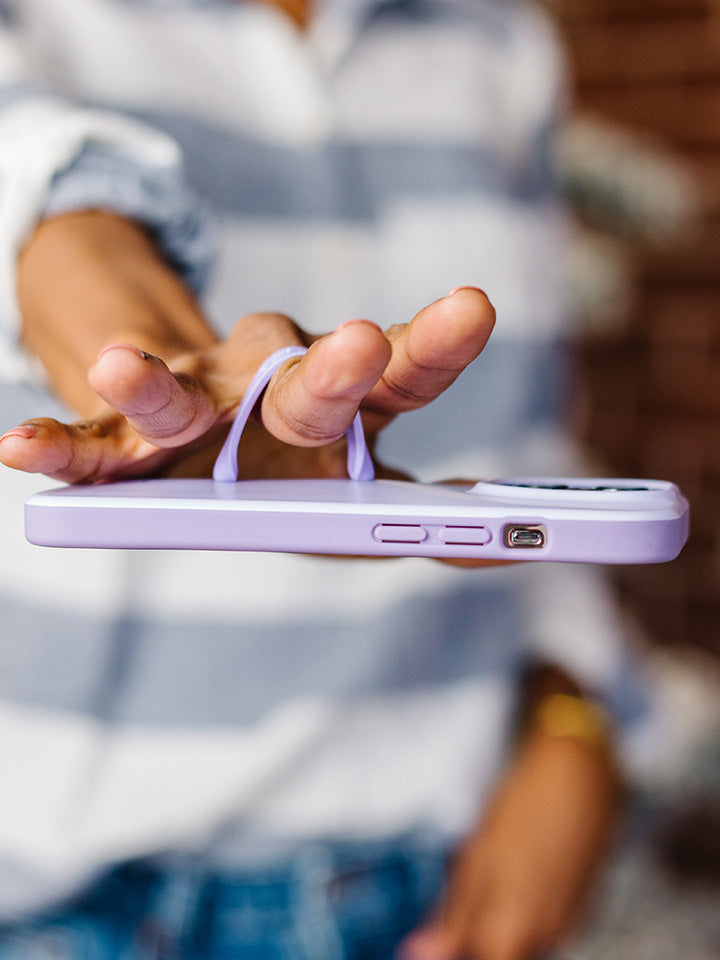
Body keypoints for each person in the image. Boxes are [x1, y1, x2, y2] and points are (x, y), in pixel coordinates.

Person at [0, 1, 650, 957]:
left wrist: (572, 719)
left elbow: (527, 456)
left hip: (419, 887)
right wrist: (167, 370)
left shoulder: (497, 42)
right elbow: (41, 194)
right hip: (58, 895)